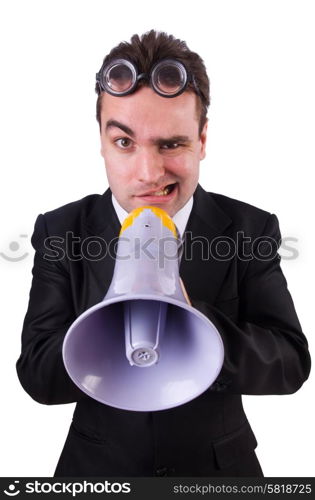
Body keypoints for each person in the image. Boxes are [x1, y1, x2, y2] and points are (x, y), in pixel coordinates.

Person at [16, 29, 311, 477]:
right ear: (100, 140)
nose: (149, 174)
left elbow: (290, 363)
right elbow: (39, 376)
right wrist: (112, 318)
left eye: (171, 144)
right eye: (124, 142)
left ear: (203, 140)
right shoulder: (61, 231)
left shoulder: (250, 229)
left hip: (217, 474)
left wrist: (198, 324)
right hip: (99, 472)